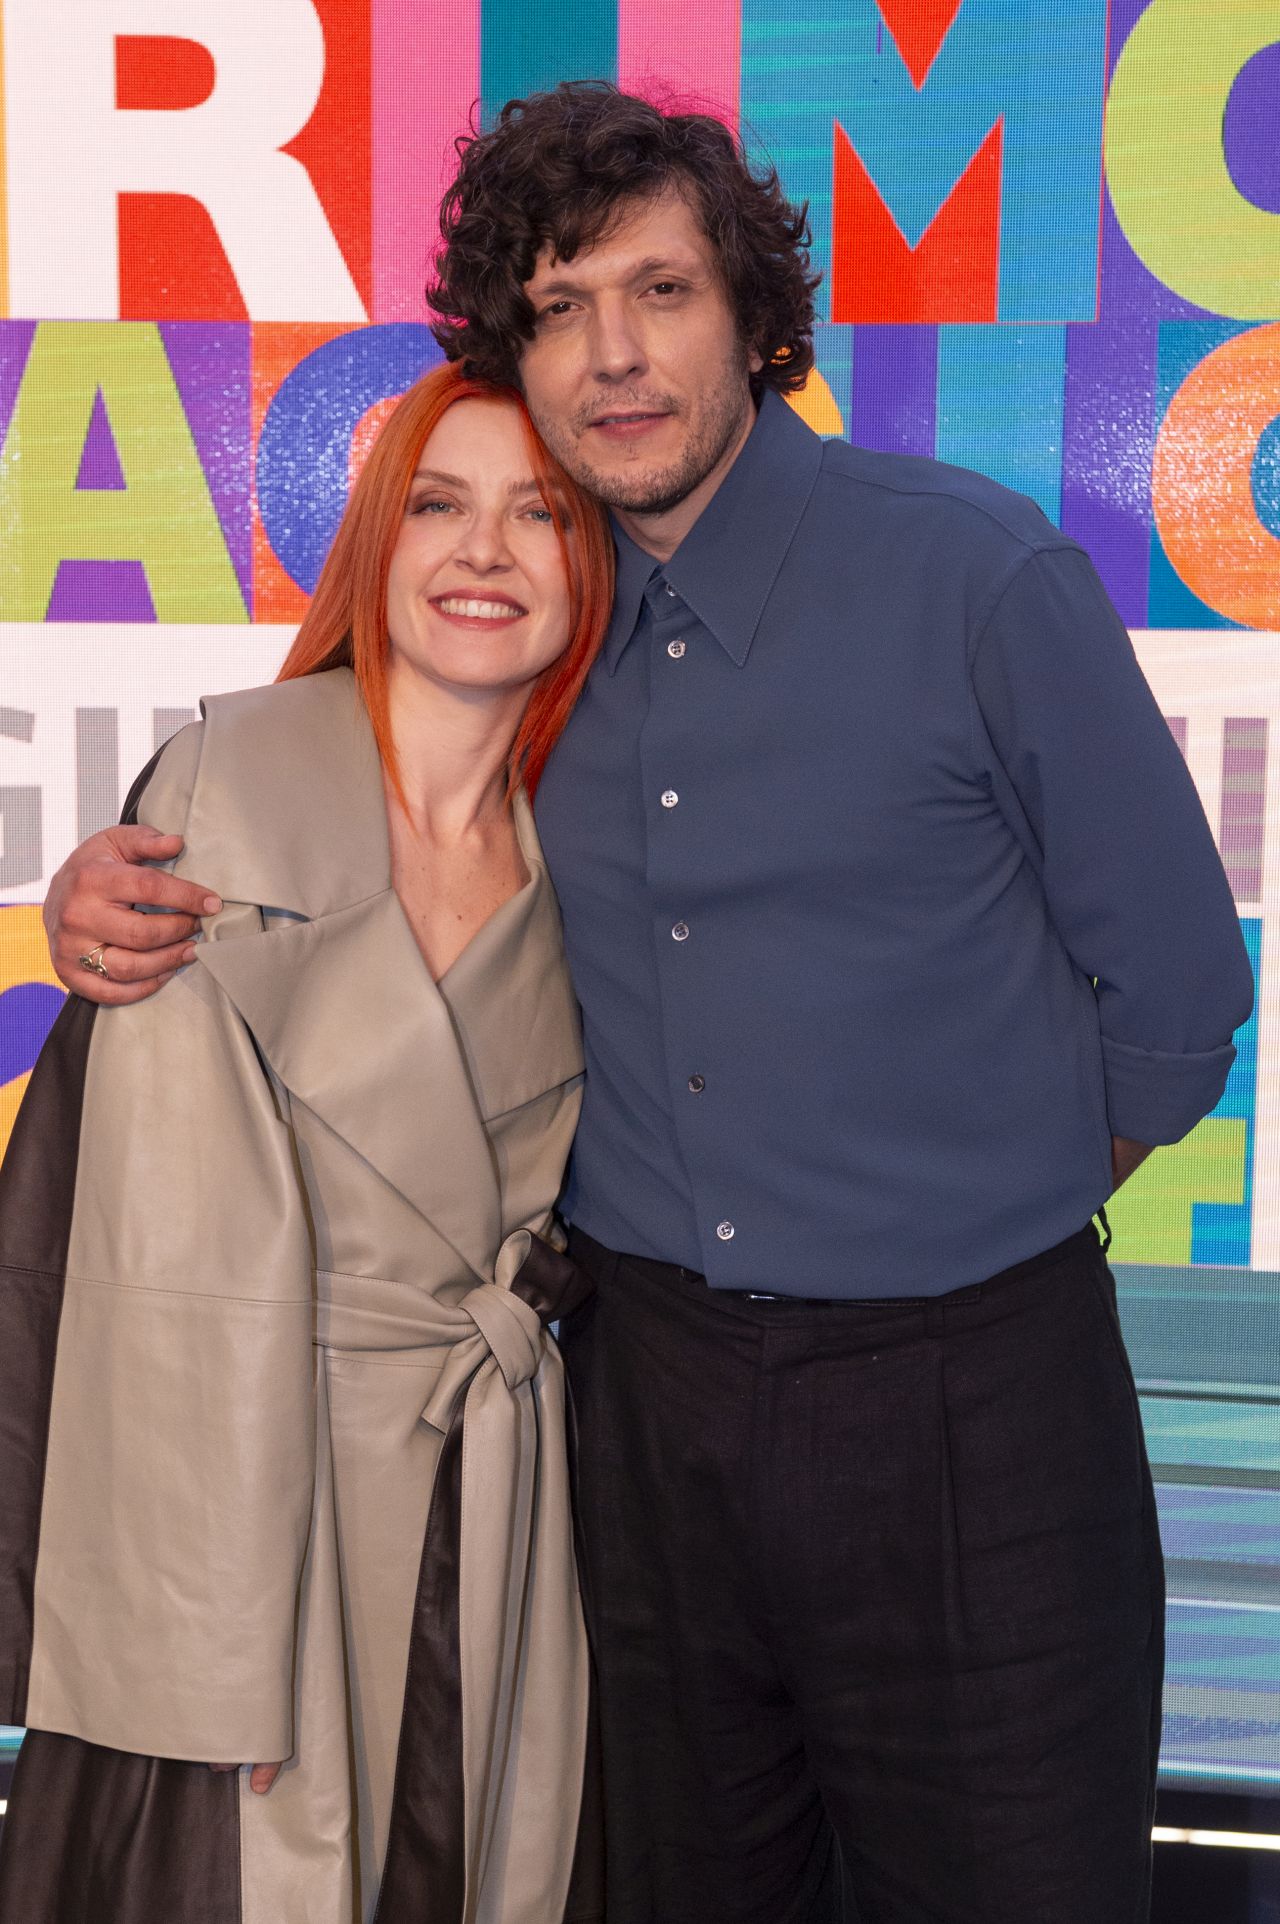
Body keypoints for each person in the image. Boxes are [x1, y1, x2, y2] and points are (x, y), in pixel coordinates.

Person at [43, 84, 1253, 1924]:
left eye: (661, 291)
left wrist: (963, 1218)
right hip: (638, 1408)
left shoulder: (975, 575)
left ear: (754, 316)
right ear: (510, 356)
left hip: (974, 1410)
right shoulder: (524, 619)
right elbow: (328, 813)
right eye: (558, 308)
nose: (612, 354)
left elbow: (1177, 1000)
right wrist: (99, 890)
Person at [0, 361, 612, 1924]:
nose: (484, 553)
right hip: (231, 1503)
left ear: (591, 562)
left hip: (499, 1502)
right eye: (439, 505)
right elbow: (127, 1230)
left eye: (539, 514)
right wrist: (206, 1630)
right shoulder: (226, 794)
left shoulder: (609, 845)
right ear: (376, 546)